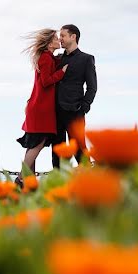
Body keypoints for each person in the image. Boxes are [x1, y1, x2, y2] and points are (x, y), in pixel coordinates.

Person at [16, 29, 68, 185]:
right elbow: (46, 81)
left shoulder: (48, 57)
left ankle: (27, 182)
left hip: (38, 107)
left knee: (34, 144)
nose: (59, 40)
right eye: (56, 38)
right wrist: (62, 73)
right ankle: (20, 178)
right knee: (37, 144)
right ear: (49, 42)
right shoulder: (45, 58)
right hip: (41, 109)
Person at [52, 24, 97, 168]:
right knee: (57, 151)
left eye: (63, 35)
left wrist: (83, 107)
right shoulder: (57, 59)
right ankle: (59, 186)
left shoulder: (86, 59)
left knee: (79, 149)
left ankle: (89, 181)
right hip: (56, 111)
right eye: (60, 36)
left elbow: (92, 87)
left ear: (73, 37)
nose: (60, 39)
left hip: (75, 111)